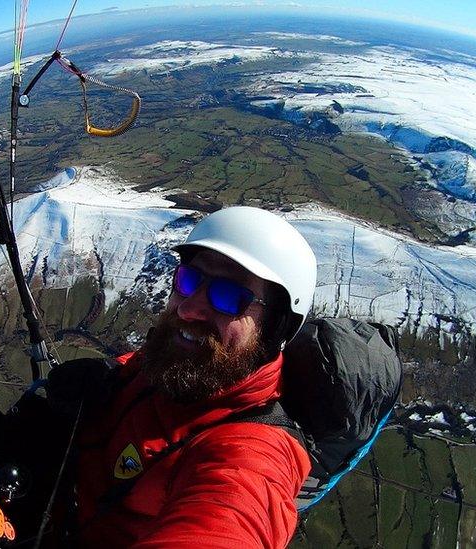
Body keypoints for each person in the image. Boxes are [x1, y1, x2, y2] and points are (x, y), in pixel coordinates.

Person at [58, 206, 319, 547]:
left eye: (229, 297)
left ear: (276, 327)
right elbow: (145, 362)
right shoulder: (185, 367)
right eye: (189, 280)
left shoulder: (252, 454)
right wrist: (110, 372)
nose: (188, 308)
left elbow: (231, 519)